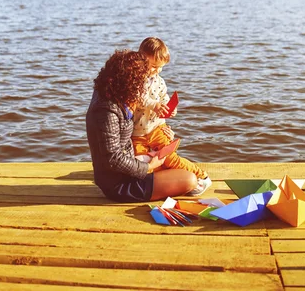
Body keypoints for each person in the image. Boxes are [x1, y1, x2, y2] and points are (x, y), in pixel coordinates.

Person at [86, 49, 198, 203]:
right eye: (140, 82)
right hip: (120, 184)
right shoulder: (106, 110)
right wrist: (148, 167)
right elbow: (113, 158)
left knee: (174, 164)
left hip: (133, 165)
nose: (143, 86)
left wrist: (160, 129)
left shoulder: (112, 94)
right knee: (189, 180)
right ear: (128, 82)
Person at [132, 37, 212, 196]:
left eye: (160, 67)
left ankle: (201, 175)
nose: (157, 70)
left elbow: (163, 98)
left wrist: (169, 107)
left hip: (157, 127)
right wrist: (154, 105)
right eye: (154, 66)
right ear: (141, 59)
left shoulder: (159, 81)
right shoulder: (135, 80)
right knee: (141, 163)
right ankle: (168, 181)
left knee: (168, 156)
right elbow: (138, 97)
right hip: (137, 133)